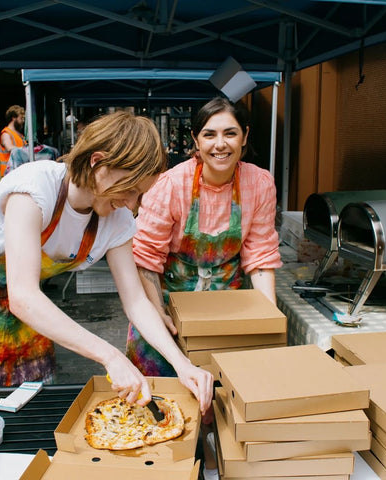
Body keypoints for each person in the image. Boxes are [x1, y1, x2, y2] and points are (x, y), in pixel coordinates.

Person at [0, 111, 212, 416]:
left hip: (21, 309)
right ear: (98, 163)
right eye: (130, 189)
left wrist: (181, 364)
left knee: (32, 405)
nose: (133, 204)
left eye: (140, 194)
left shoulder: (117, 219)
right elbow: (24, 296)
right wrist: (110, 356)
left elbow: (135, 301)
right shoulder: (34, 188)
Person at [127, 97, 282, 479]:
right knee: (159, 409)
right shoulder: (171, 184)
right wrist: (159, 315)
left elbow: (260, 258)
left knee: (225, 409)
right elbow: (146, 259)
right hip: (165, 308)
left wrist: (267, 326)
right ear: (195, 140)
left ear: (245, 136)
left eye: (230, 133)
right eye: (209, 134)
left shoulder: (259, 183)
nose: (220, 144)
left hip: (226, 314)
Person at [0, 105, 27, 178]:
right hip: (9, 174)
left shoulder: (20, 135)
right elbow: (10, 147)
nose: (23, 121)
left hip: (18, 172)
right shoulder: (6, 133)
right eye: (21, 118)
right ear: (14, 118)